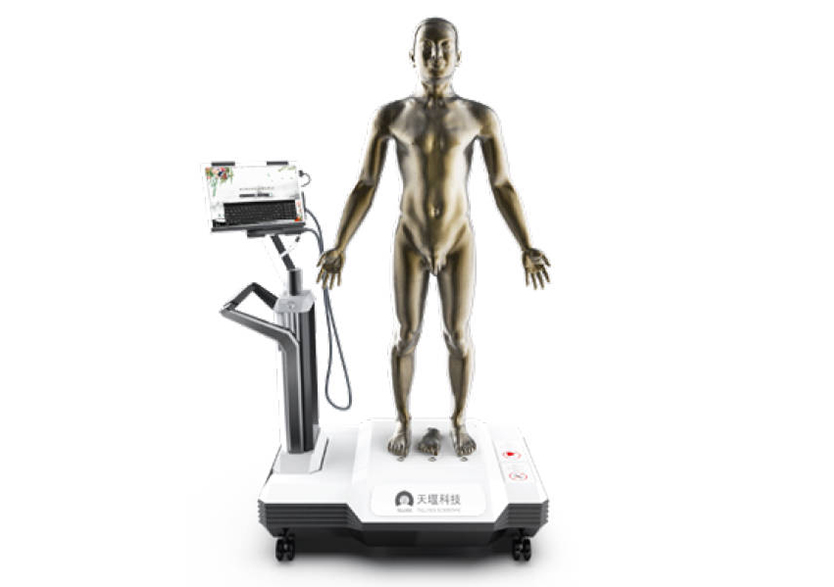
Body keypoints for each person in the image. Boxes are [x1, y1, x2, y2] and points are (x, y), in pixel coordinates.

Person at [317, 18, 549, 458]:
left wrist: (526, 244)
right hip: (410, 238)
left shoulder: (480, 117)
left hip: (457, 239)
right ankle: (403, 421)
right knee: (406, 335)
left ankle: (458, 421)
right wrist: (340, 244)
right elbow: (366, 183)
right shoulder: (392, 116)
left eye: (445, 47)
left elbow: (501, 184)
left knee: (457, 336)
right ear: (413, 55)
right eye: (427, 47)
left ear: (459, 56)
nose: (436, 56)